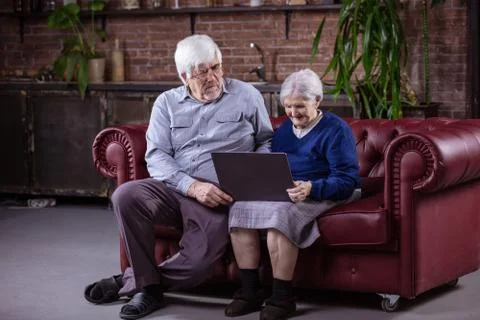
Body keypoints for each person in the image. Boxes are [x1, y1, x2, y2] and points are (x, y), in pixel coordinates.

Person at [83, 34, 273, 320]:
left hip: (220, 196)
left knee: (199, 266)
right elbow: (156, 155)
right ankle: (145, 287)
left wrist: (252, 173)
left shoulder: (247, 95)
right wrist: (191, 185)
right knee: (125, 195)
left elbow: (265, 141)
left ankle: (137, 284)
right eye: (201, 72)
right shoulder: (166, 103)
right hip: (175, 188)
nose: (212, 77)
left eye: (216, 67)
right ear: (184, 76)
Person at [224, 69, 361, 320]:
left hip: (326, 190)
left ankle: (282, 297)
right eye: (288, 106)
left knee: (280, 215)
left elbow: (348, 180)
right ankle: (250, 291)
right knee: (239, 209)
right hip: (289, 189)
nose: (293, 113)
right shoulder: (285, 130)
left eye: (300, 106)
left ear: (317, 101)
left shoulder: (336, 130)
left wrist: (312, 187)